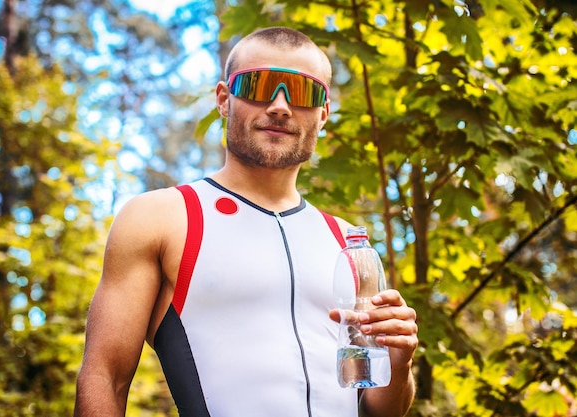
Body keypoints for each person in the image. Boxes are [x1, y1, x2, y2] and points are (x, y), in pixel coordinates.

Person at [74, 26, 418, 417]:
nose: (280, 106)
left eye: (303, 92)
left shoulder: (348, 242)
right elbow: (105, 376)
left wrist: (399, 362)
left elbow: (375, 408)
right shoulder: (163, 217)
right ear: (224, 99)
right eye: (259, 86)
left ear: (323, 114)